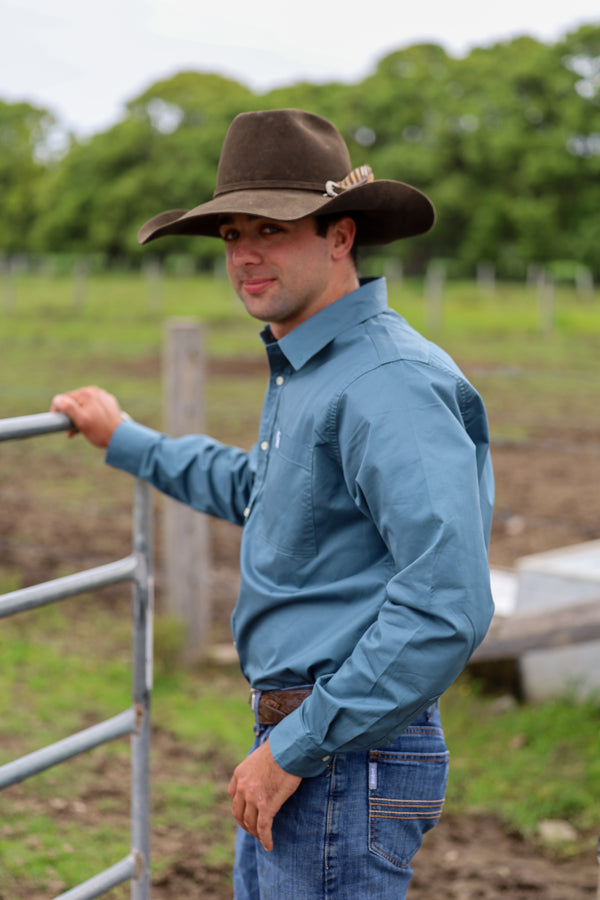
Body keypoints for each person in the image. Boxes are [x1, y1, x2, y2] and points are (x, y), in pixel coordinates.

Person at [52, 108, 494, 899]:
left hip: (340, 750)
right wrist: (124, 439)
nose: (246, 254)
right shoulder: (315, 368)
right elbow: (256, 491)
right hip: (317, 740)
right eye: (231, 234)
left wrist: (297, 746)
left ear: (340, 236)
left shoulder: (384, 382)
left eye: (273, 227)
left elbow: (446, 603)